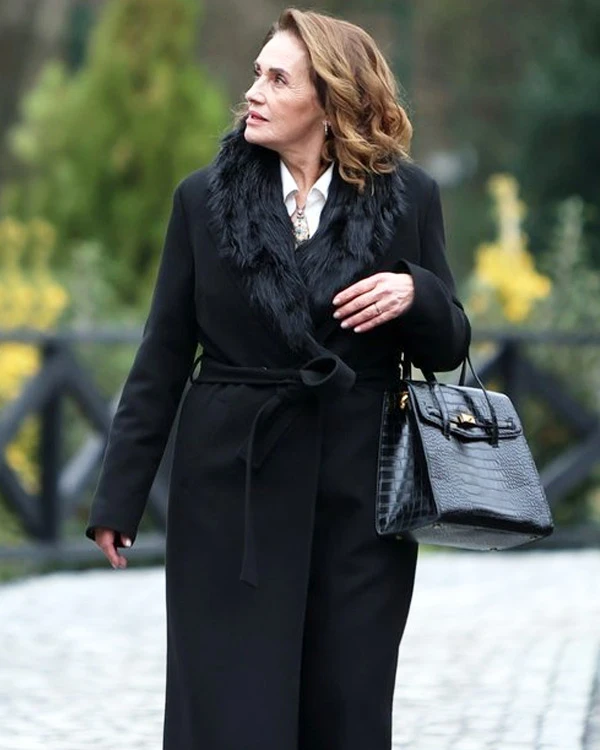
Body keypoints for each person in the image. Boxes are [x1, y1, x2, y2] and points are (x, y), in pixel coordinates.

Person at [86, 8, 470, 750]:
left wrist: (415, 293)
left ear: (330, 101)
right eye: (256, 73)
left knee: (347, 703)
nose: (253, 92)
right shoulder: (202, 201)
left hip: (359, 497)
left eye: (277, 79)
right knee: (231, 709)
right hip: (231, 493)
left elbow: (450, 343)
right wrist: (118, 497)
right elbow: (162, 356)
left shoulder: (408, 198)